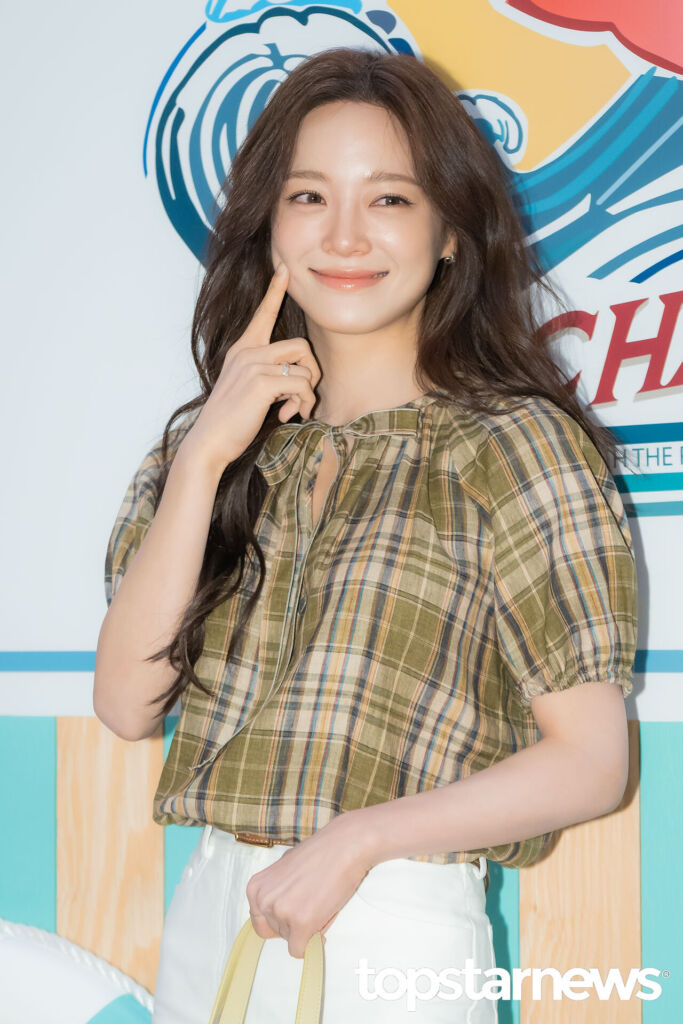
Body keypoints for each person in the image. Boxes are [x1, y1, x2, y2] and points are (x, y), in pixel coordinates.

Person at [94, 47, 638, 1024]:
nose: (344, 234)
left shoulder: (509, 444)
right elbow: (128, 704)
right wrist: (206, 456)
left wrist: (357, 839)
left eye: (388, 199)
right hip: (213, 908)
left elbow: (591, 761)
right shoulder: (208, 448)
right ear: (269, 225)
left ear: (449, 233)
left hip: (393, 913)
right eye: (309, 197)